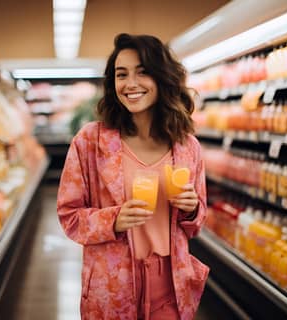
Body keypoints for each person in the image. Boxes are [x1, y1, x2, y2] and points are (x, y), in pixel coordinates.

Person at [57, 33, 209, 320]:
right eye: (121, 74)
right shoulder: (90, 141)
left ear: (162, 78)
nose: (130, 84)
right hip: (112, 283)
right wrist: (113, 219)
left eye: (142, 73)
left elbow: (197, 221)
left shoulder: (187, 146)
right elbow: (69, 216)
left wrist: (191, 209)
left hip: (170, 282)